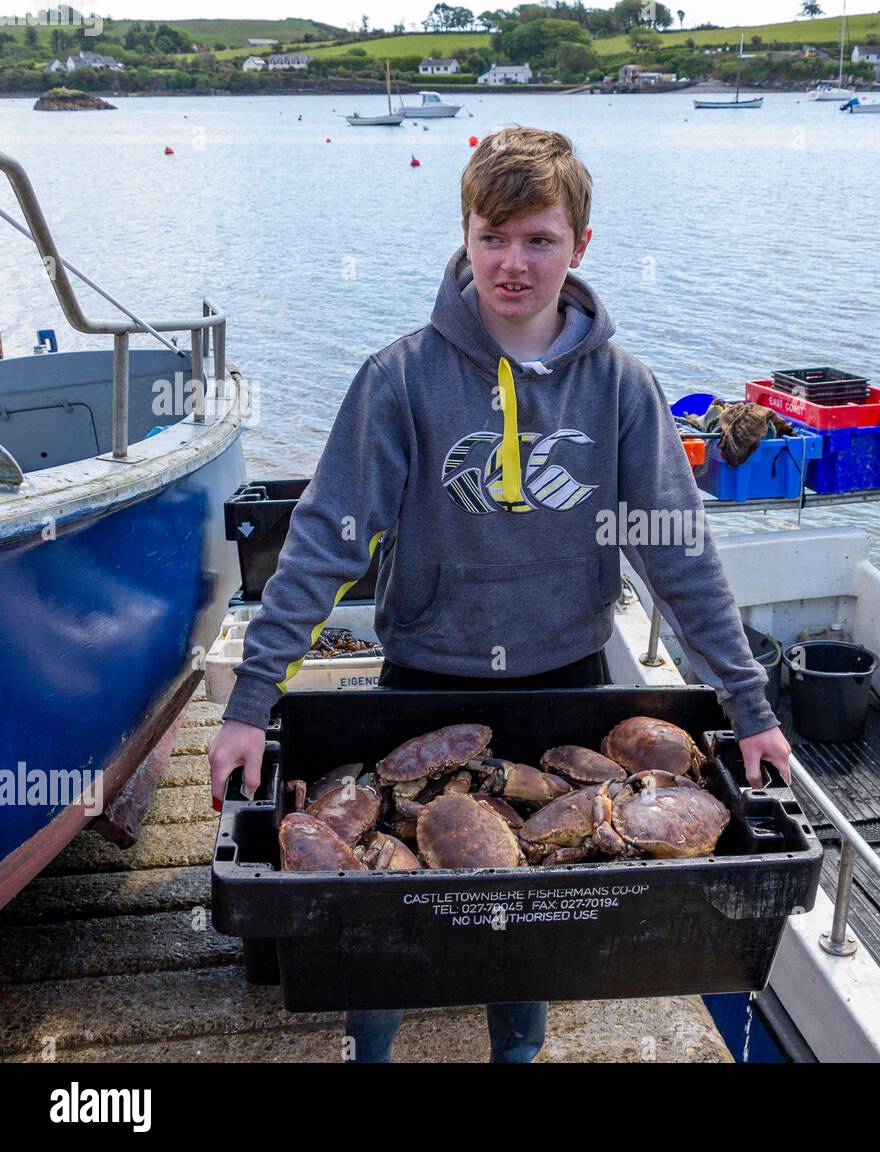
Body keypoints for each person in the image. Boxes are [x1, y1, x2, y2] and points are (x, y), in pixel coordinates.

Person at [208, 126, 792, 1064]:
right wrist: (249, 699)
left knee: (532, 915)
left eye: (539, 240)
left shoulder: (622, 391)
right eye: (492, 236)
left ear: (581, 246)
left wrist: (749, 704)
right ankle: (374, 1051)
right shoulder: (400, 379)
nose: (512, 265)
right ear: (465, 234)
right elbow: (325, 542)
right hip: (422, 678)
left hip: (563, 682)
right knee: (387, 918)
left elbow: (677, 557)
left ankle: (516, 1055)